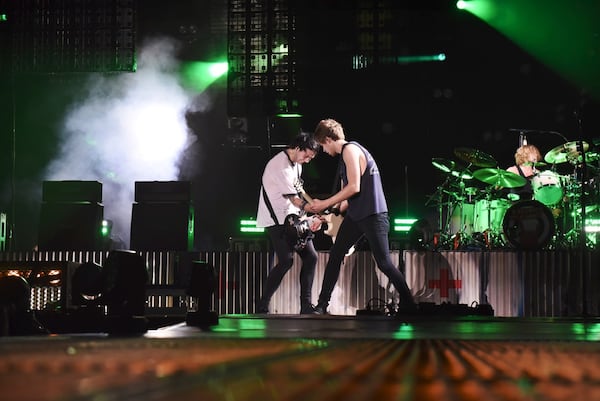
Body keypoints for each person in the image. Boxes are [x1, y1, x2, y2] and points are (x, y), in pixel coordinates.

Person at [306, 118, 416, 314]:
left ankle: (409, 304)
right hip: (357, 216)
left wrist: (323, 203)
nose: (323, 151)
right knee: (335, 255)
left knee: (384, 263)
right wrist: (326, 214)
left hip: (373, 215)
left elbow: (354, 187)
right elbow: (345, 200)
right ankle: (322, 304)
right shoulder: (345, 158)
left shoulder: (350, 150)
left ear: (328, 140)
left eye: (322, 146)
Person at [255, 132, 322, 314]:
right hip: (275, 219)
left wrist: (309, 216)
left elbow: (298, 195)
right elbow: (295, 199)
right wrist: (313, 208)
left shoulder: (296, 165)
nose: (307, 160)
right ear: (298, 147)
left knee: (311, 257)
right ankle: (262, 305)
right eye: (306, 155)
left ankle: (306, 306)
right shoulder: (280, 165)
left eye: (311, 158)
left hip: (291, 219)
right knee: (286, 260)